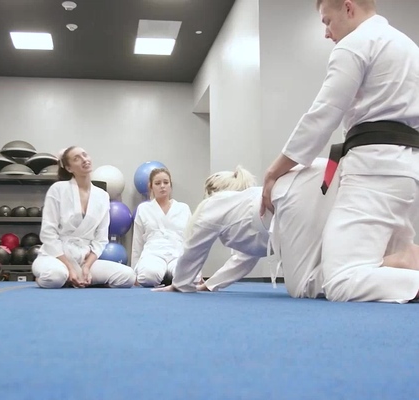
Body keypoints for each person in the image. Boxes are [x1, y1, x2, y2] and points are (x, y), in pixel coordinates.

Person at [260, 0, 419, 302]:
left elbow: (323, 115)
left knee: (342, 279)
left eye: (326, 21)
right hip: (408, 169)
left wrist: (273, 172)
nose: (326, 32)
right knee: (390, 258)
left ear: (348, 8)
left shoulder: (355, 44)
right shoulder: (409, 47)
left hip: (375, 169)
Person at [154, 159, 337, 298]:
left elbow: (194, 249)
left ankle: (345, 276)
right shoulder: (246, 205)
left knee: (301, 286)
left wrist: (180, 283)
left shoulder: (214, 204)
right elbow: (244, 258)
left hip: (299, 191)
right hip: (322, 171)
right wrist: (211, 284)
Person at [32, 146, 136, 289]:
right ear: (69, 168)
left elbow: (101, 239)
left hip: (83, 259)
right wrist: (69, 268)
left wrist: (87, 267)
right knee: (55, 277)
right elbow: (48, 233)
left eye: (85, 155)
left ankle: (80, 278)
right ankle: (59, 277)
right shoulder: (58, 189)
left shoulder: (102, 196)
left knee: (128, 276)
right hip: (55, 257)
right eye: (77, 158)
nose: (84, 159)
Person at [131, 167, 196, 287]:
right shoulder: (144, 209)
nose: (162, 186)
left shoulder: (183, 208)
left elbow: (191, 239)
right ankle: (163, 277)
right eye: (157, 183)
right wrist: (133, 271)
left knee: (192, 278)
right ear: (151, 186)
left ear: (170, 185)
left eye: (166, 182)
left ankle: (169, 277)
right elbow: (137, 243)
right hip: (153, 253)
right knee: (147, 277)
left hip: (177, 253)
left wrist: (197, 267)